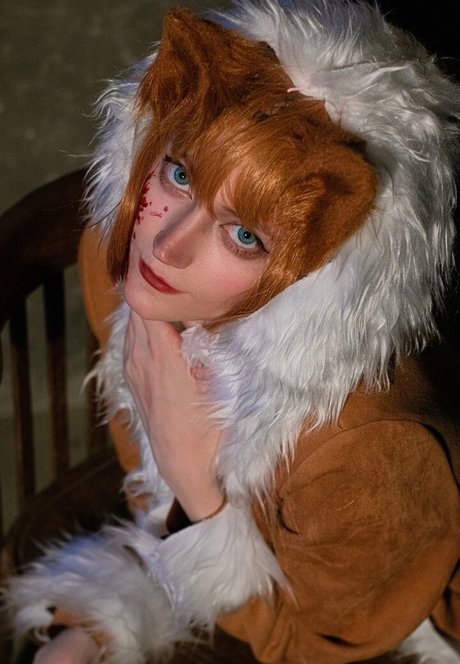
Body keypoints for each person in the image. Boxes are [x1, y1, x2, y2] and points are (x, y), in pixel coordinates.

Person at [4, 0, 460, 662]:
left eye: (244, 234)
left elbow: (321, 645)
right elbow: (147, 497)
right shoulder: (118, 266)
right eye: (180, 173)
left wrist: (198, 489)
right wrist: (106, 617)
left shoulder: (369, 446)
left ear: (321, 276)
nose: (166, 244)